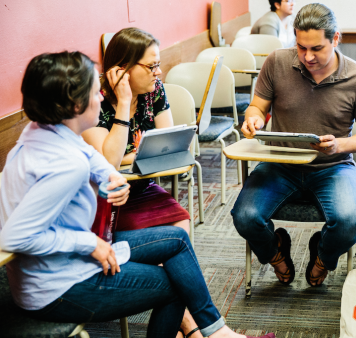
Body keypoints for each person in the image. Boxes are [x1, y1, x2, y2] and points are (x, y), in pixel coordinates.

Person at [0, 51, 275, 338]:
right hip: (58, 286)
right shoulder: (65, 166)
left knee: (177, 239)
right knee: (174, 287)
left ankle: (216, 332)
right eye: (96, 93)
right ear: (76, 104)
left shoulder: (41, 131)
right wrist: (88, 243)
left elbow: (89, 157)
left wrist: (111, 176)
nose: (100, 98)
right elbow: (15, 237)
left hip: (59, 265)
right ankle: (214, 334)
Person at [232, 3, 356, 287]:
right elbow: (256, 107)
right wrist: (254, 119)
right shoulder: (277, 62)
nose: (308, 56)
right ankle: (277, 252)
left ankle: (321, 255)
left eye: (317, 49)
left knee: (351, 221)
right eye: (301, 47)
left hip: (332, 166)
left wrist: (340, 145)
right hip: (279, 163)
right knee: (245, 217)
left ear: (336, 39)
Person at [81, 27, 197, 337]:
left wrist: (132, 154)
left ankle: (181, 322)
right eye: (151, 66)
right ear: (122, 69)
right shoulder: (98, 101)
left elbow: (166, 145)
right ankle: (189, 324)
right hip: (109, 198)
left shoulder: (155, 91)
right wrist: (123, 102)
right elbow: (109, 162)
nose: (158, 73)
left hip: (142, 187)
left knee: (181, 226)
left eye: (158, 64)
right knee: (170, 247)